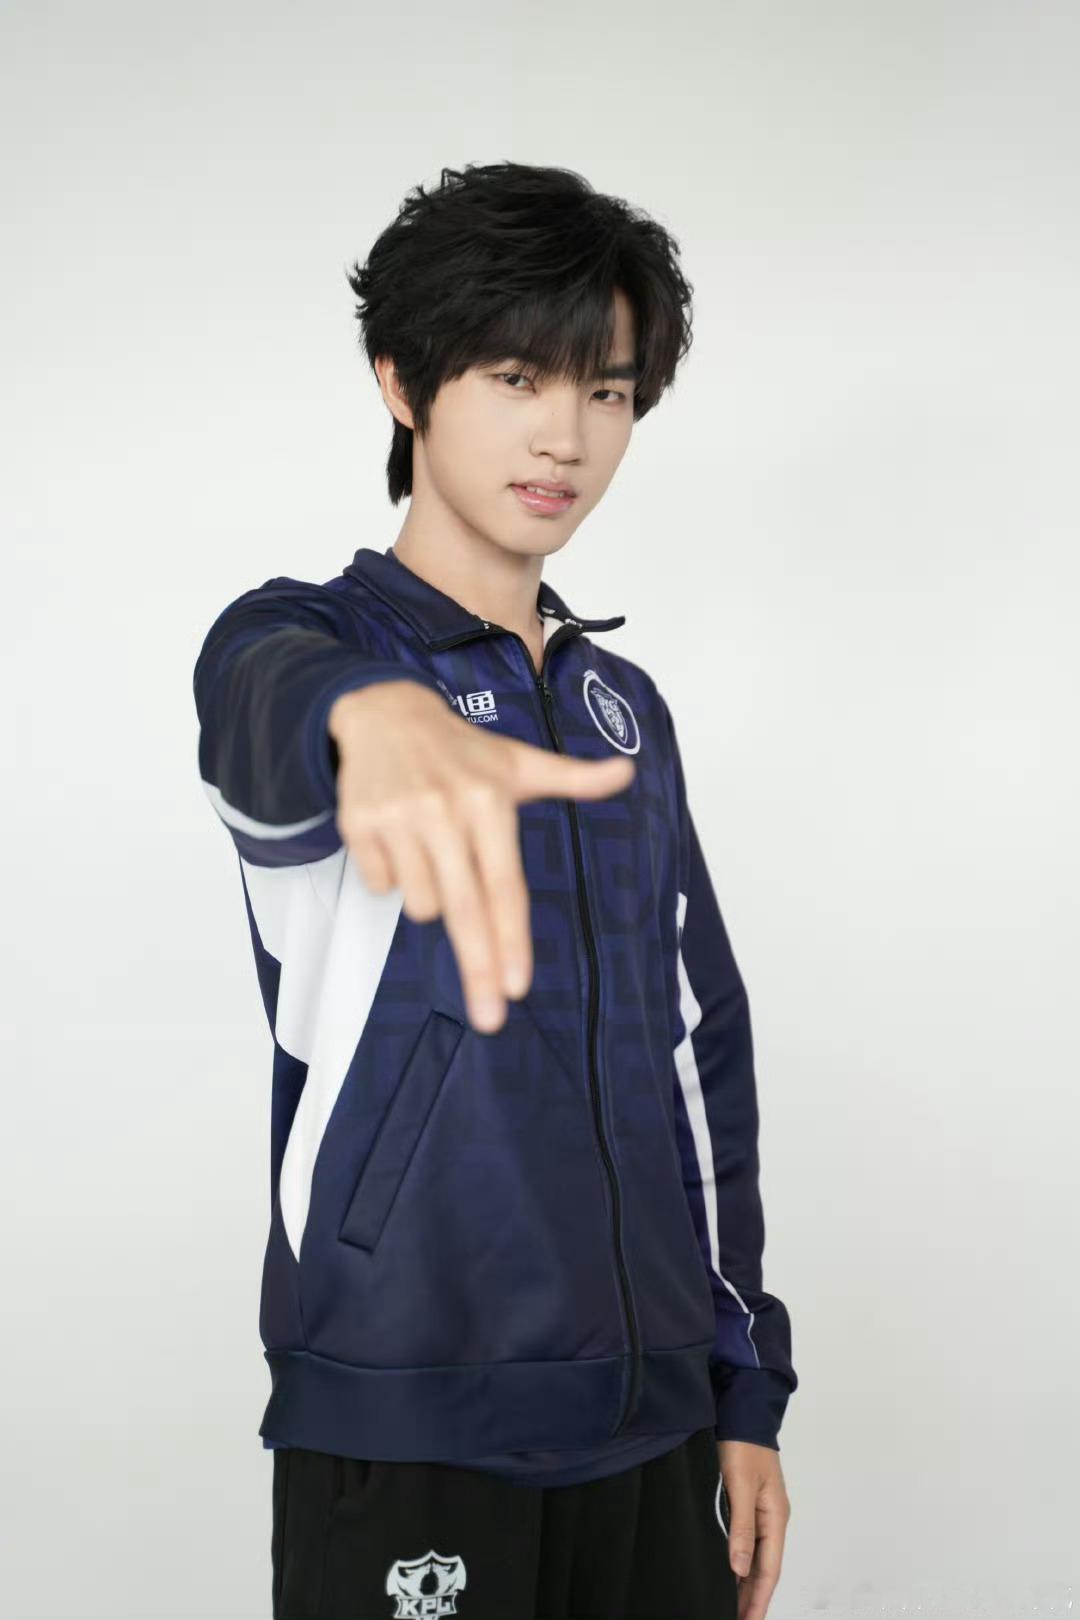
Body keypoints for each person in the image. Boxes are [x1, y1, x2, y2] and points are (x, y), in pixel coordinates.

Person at [193, 160, 797, 1620]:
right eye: (519, 375)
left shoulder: (621, 712)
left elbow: (698, 1054)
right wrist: (369, 712)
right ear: (402, 381)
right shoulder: (304, 650)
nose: (566, 436)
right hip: (410, 1419)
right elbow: (258, 684)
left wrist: (744, 1385)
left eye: (607, 390)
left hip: (656, 1421)